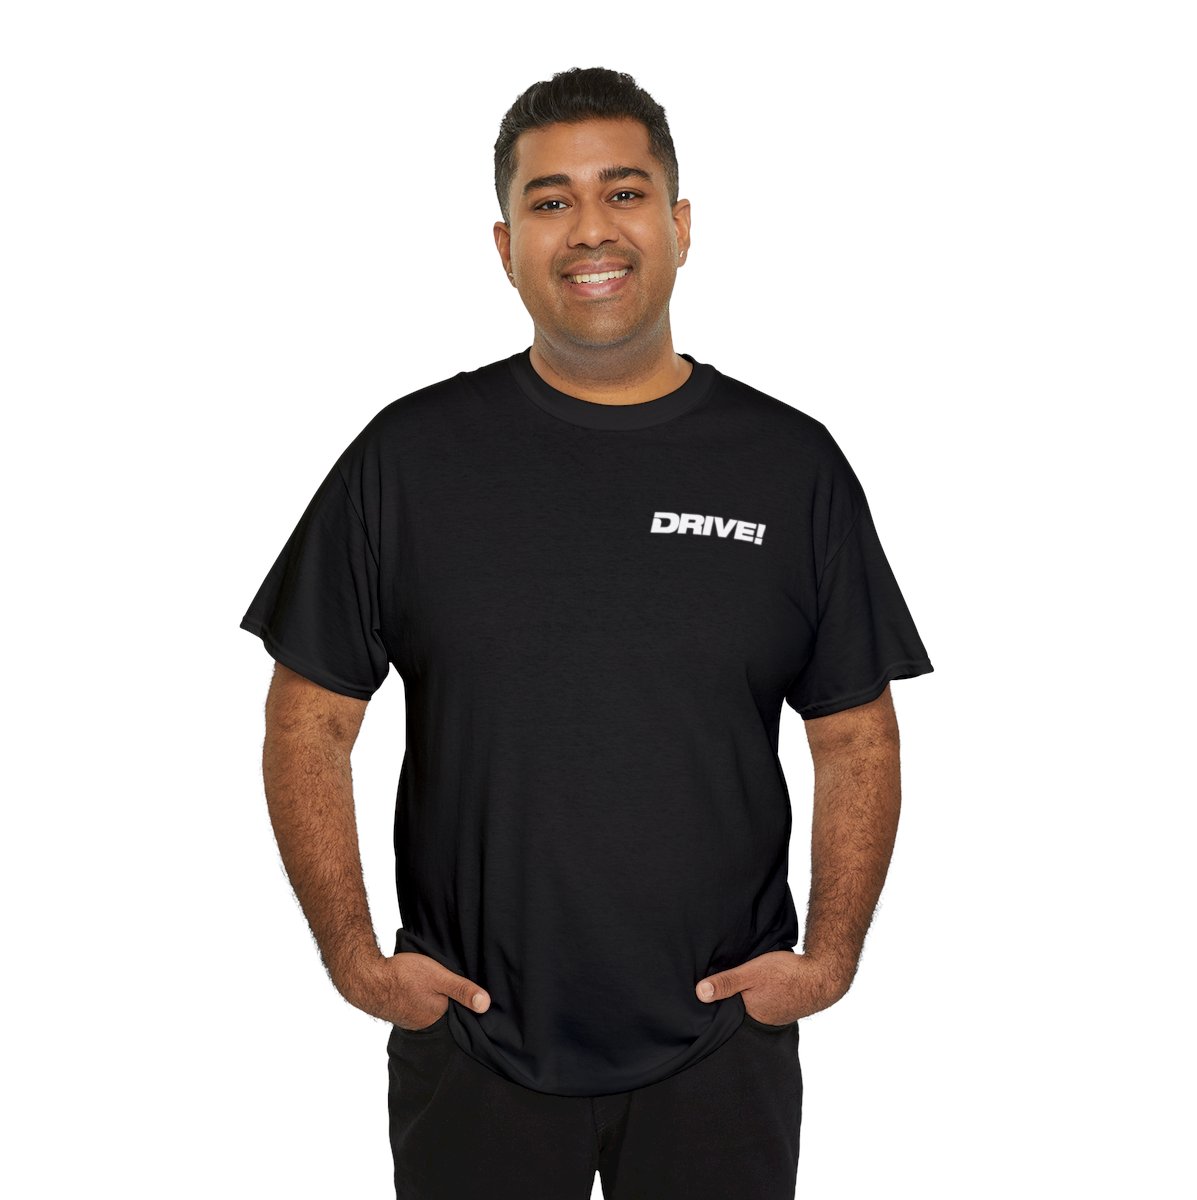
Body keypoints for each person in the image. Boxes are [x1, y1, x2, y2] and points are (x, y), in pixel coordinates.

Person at [239, 65, 934, 1200]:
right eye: (551, 201)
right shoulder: (408, 460)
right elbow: (308, 722)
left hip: (722, 1044)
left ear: (681, 225)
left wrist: (829, 959)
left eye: (623, 191)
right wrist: (358, 961)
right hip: (473, 1043)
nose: (591, 229)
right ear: (505, 244)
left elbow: (856, 733)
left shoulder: (790, 465)